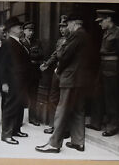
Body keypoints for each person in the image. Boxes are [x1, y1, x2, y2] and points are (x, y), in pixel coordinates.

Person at [35, 14, 94, 153]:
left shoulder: (75, 35)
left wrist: (59, 69)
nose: (66, 27)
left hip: (70, 79)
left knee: (61, 111)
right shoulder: (86, 36)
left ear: (74, 23)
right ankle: (78, 142)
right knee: (78, 111)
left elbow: (63, 56)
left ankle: (54, 144)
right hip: (81, 80)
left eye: (67, 24)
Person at [0, 17, 31, 145]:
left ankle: (16, 130)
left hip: (21, 81)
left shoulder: (18, 42)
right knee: (10, 106)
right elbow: (2, 64)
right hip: (13, 81)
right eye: (19, 27)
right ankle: (6, 134)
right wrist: (4, 82)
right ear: (12, 29)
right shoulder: (7, 43)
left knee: (19, 106)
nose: (21, 30)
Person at [94, 9, 119, 137]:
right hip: (103, 66)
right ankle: (96, 123)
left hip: (112, 68)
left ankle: (113, 126)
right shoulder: (107, 31)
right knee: (98, 93)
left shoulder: (118, 32)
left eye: (101, 21)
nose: (99, 24)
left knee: (111, 98)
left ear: (108, 19)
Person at [40, 15, 70, 135]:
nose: (61, 29)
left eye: (64, 26)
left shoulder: (73, 40)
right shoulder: (60, 40)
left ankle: (65, 129)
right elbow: (55, 54)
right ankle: (53, 125)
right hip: (57, 73)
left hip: (67, 73)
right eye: (60, 27)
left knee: (65, 101)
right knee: (53, 99)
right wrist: (46, 64)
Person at [20, 22, 43, 126]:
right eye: (29, 30)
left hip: (35, 73)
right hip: (24, 74)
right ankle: (18, 119)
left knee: (34, 96)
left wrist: (31, 57)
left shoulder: (37, 42)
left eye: (32, 30)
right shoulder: (20, 42)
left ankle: (32, 118)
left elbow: (41, 55)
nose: (31, 33)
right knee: (21, 96)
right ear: (24, 31)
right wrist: (32, 57)